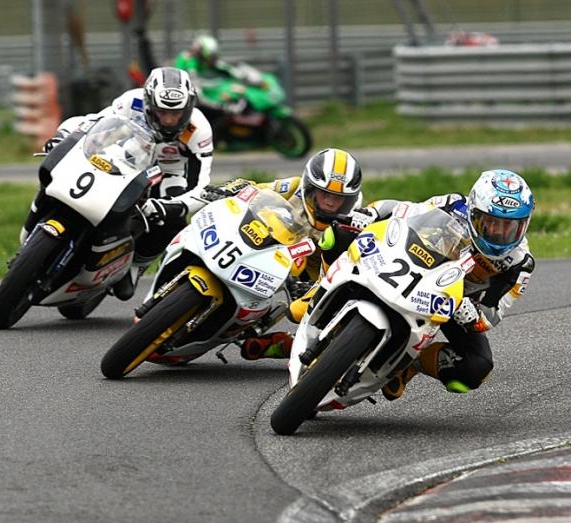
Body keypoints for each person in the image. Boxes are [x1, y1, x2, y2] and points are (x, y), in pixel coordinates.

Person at [20, 66, 214, 301]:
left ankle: (135, 266)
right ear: (149, 103)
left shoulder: (198, 129)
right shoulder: (132, 101)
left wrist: (174, 206)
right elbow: (92, 122)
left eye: (177, 113)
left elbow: (201, 185)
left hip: (169, 174)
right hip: (127, 157)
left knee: (171, 221)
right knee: (63, 170)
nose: (170, 120)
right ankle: (39, 223)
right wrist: (63, 137)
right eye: (162, 112)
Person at [347, 169, 535, 400]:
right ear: (474, 212)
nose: (498, 232)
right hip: (414, 265)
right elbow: (404, 210)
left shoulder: (520, 263)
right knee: (341, 235)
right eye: (491, 222)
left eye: (509, 227)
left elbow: (494, 313)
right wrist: (371, 213)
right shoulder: (454, 205)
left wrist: (474, 315)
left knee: (477, 367)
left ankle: (407, 363)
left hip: (453, 305)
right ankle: (314, 294)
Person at [202, 147, 369, 360]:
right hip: (271, 248)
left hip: (314, 276)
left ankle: (283, 343)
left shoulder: (354, 219)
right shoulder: (294, 187)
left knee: (328, 332)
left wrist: (319, 287)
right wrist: (229, 189)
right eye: (325, 194)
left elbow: (351, 265)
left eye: (338, 198)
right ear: (310, 187)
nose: (330, 202)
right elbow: (257, 189)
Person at [174, 35, 262, 115]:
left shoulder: (202, 60)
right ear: (201, 54)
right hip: (183, 100)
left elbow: (222, 66)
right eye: (210, 58)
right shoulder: (190, 64)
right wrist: (223, 107)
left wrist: (244, 76)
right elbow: (198, 94)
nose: (212, 61)